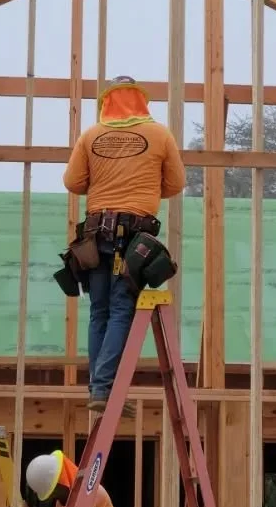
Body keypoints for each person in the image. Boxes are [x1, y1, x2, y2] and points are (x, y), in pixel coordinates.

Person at [63, 75, 185, 412]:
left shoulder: (91, 135)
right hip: (132, 239)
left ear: (107, 102)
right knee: (121, 309)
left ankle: (98, 390)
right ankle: (103, 389)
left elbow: (73, 182)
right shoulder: (159, 134)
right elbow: (175, 184)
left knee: (99, 310)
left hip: (95, 237)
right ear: (140, 101)